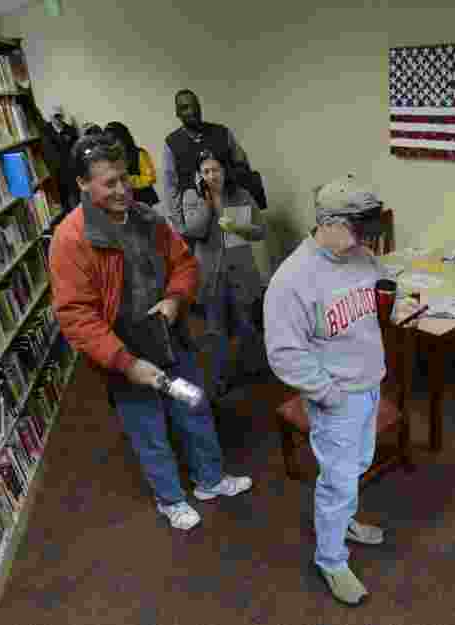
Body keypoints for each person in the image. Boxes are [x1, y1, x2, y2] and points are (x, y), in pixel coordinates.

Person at [48, 134, 252, 531]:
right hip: (124, 353)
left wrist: (176, 300)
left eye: (126, 178)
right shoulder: (70, 239)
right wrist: (124, 362)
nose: (123, 189)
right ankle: (170, 499)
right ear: (83, 185)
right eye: (110, 183)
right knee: (149, 429)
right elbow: (75, 315)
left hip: (169, 338)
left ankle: (210, 480)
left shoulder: (148, 217)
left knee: (193, 404)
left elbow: (184, 264)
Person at [264, 175, 415, 606]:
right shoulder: (293, 279)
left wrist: (396, 304)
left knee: (358, 466)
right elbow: (284, 354)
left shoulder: (362, 256)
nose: (363, 242)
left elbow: (384, 290)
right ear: (326, 222)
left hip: (369, 384)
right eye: (356, 231)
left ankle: (344, 522)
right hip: (336, 397)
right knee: (338, 480)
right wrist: (328, 395)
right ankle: (330, 559)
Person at [171, 149, 267, 401]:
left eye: (216, 170)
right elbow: (194, 230)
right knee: (216, 331)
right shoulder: (191, 197)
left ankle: (254, 368)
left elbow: (260, 232)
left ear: (225, 171)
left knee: (247, 323)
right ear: (199, 175)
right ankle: (220, 378)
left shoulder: (241, 194)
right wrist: (208, 204)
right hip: (212, 275)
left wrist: (239, 226)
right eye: (206, 171)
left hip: (241, 271)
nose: (212, 175)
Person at [164, 89, 252, 213]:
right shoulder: (171, 143)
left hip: (231, 206)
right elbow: (171, 188)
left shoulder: (223, 133)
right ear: (177, 113)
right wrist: (179, 223)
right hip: (197, 214)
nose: (192, 111)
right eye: (185, 107)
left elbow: (243, 166)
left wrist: (226, 177)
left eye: (195, 105)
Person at [105, 122, 160, 207]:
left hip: (144, 200)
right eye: (108, 142)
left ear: (123, 137)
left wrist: (130, 181)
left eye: (114, 140)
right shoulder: (109, 159)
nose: (112, 145)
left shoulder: (139, 154)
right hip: (123, 202)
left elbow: (150, 178)